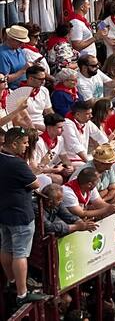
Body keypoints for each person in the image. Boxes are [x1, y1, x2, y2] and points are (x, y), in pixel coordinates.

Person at [0, 127, 46, 303]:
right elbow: (35, 184)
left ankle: (12, 281)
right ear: (14, 144)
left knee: (6, 248)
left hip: (4, 212)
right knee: (20, 253)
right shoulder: (17, 164)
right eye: (25, 143)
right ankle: (22, 293)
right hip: (20, 215)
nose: (27, 146)